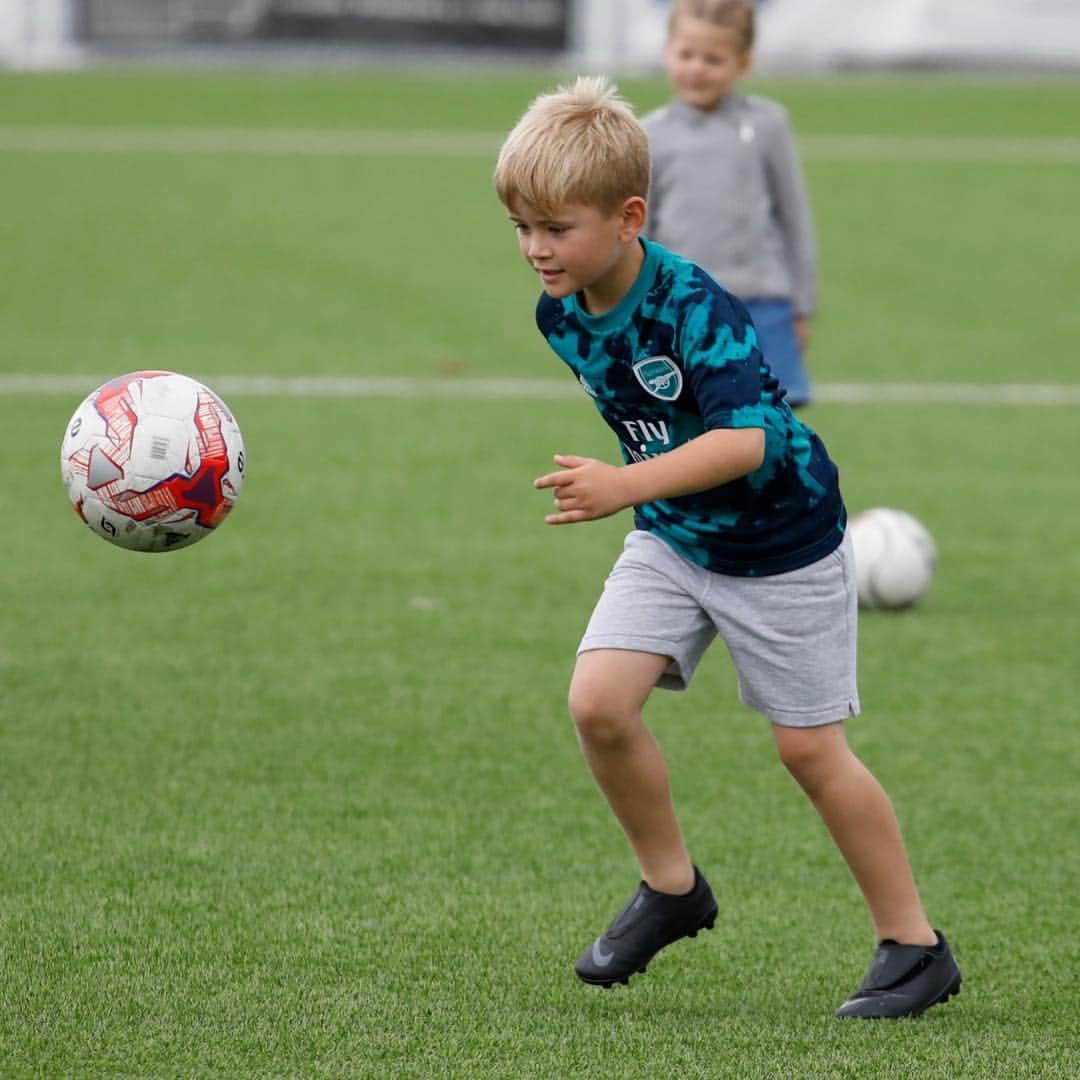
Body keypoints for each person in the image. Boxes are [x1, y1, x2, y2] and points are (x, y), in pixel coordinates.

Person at [492, 74, 961, 1019]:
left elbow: (743, 441)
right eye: (523, 228)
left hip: (784, 544)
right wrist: (642, 494)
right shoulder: (561, 311)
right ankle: (671, 888)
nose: (537, 250)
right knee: (598, 705)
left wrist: (621, 483)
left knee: (809, 752)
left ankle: (915, 947)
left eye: (557, 227)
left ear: (629, 218)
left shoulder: (695, 306)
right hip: (676, 538)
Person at [644, 0, 817, 407]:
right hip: (684, 310)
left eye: (713, 59)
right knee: (698, 422)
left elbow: (794, 220)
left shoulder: (767, 125)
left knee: (774, 428)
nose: (696, 68)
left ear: (743, 63)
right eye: (686, 55)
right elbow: (640, 230)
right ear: (667, 52)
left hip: (763, 306)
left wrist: (801, 306)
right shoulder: (648, 135)